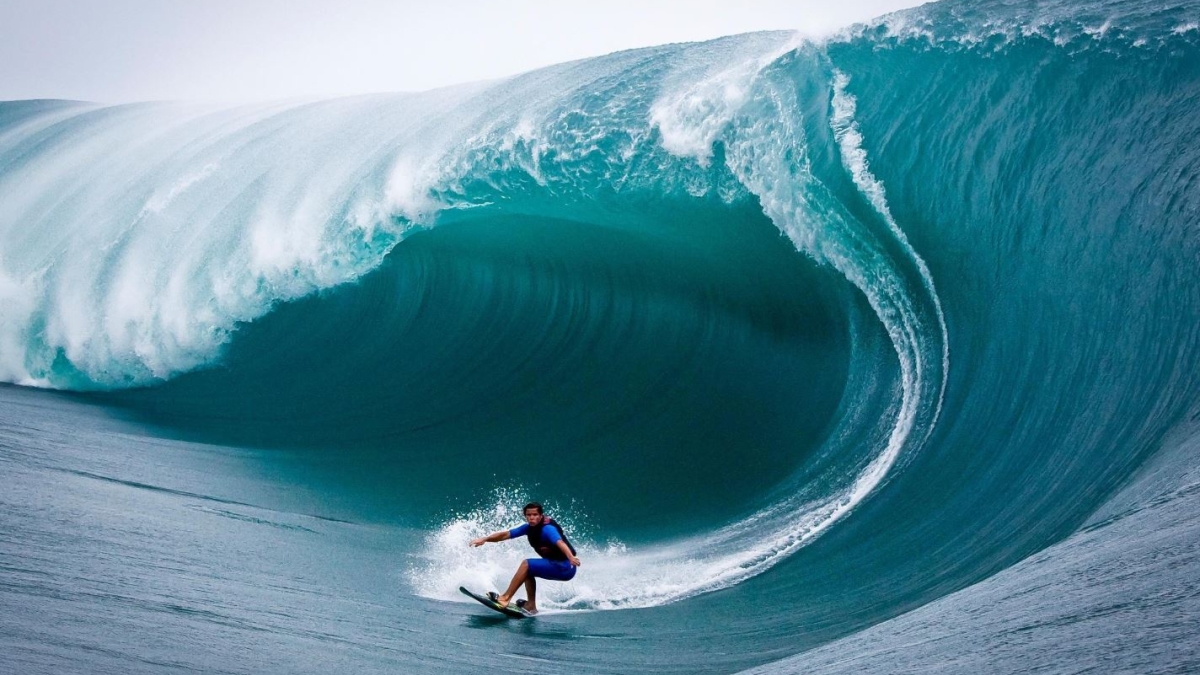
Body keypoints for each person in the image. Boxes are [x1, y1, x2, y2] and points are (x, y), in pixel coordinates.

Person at [469, 502, 580, 615]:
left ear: (541, 515)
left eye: (535, 514)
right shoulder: (528, 528)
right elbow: (505, 535)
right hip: (557, 563)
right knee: (527, 571)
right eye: (529, 515)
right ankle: (531, 606)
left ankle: (505, 598)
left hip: (566, 566)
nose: (532, 517)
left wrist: (570, 557)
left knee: (526, 564)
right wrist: (485, 539)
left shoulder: (547, 529)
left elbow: (559, 542)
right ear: (525, 515)